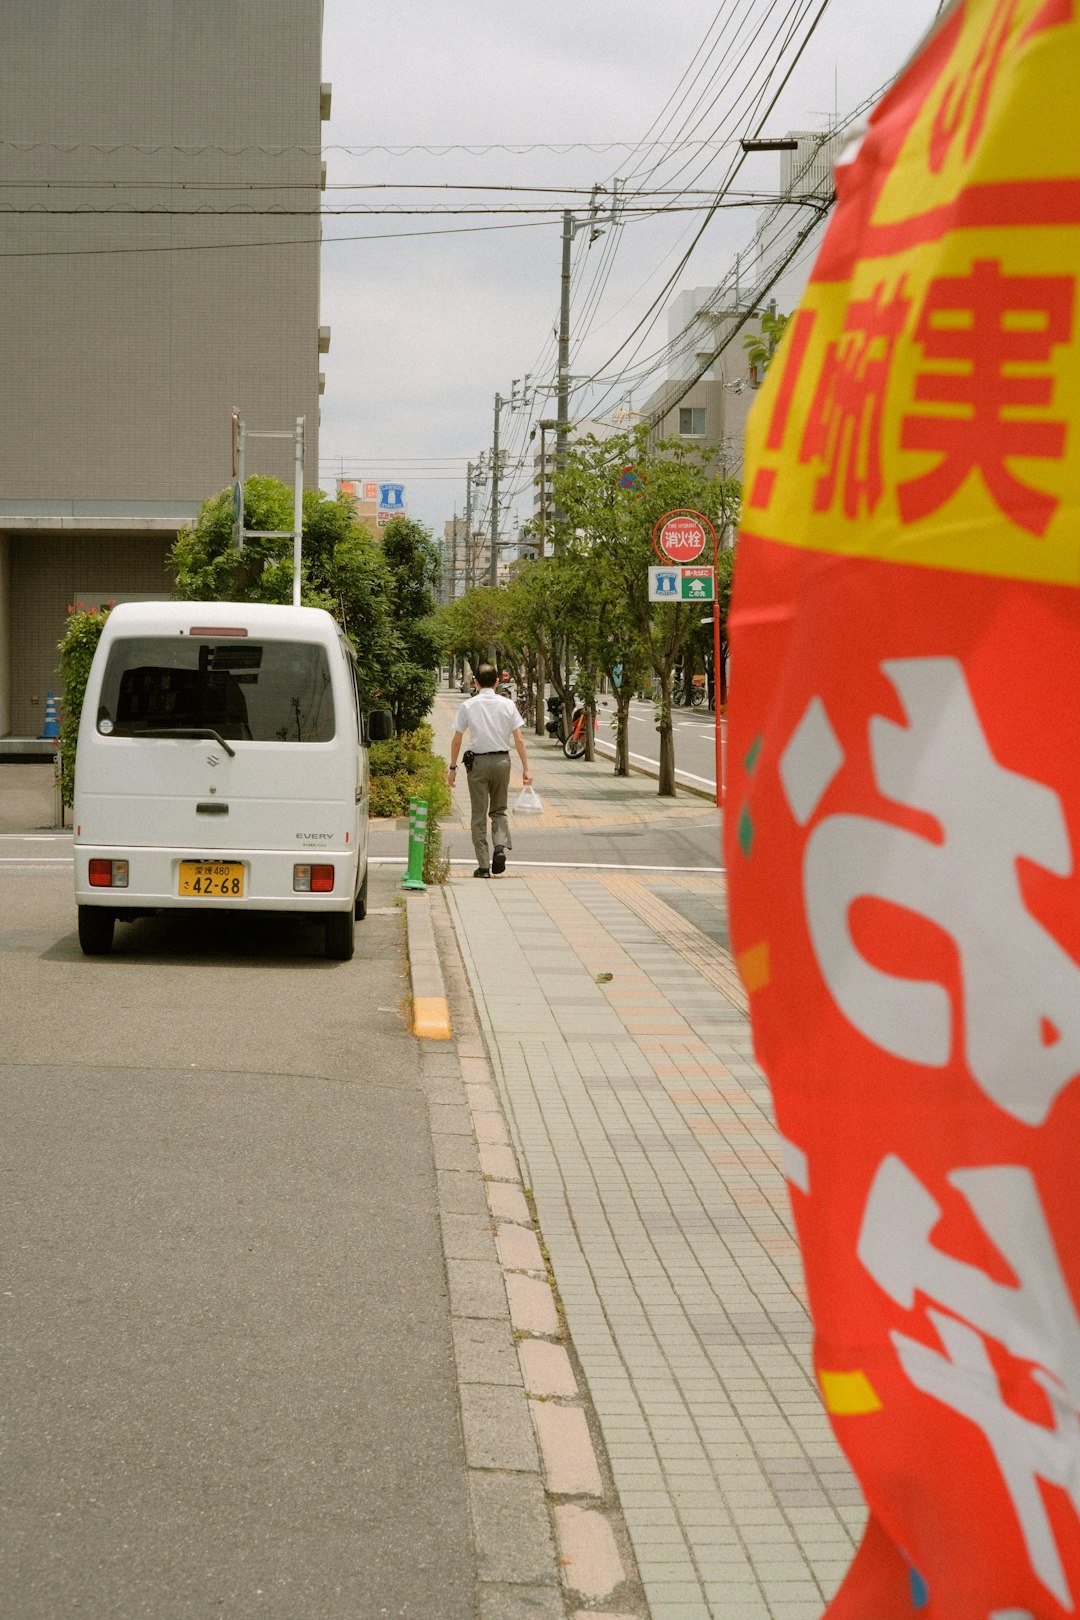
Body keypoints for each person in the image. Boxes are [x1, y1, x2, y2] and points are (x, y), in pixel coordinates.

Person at [448, 663, 533, 877]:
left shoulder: (468, 705)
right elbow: (519, 738)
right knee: (499, 810)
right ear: (497, 681)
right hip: (503, 762)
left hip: (478, 764)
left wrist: (452, 767)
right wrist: (526, 769)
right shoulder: (507, 705)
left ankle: (484, 866)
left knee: (478, 815)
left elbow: (457, 739)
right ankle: (499, 847)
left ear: (475, 681)